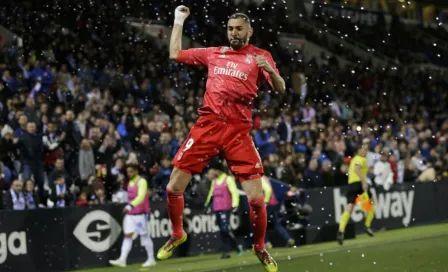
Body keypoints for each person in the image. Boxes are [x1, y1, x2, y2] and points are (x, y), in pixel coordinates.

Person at [157, 6, 285, 272]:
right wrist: (178, 20)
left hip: (238, 132)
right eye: (230, 29)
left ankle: (260, 247)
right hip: (208, 126)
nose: (234, 33)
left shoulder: (261, 56)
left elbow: (281, 88)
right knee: (173, 187)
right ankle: (178, 233)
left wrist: (270, 71)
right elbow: (174, 53)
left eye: (239, 28)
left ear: (250, 31)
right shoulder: (214, 53)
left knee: (256, 199)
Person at [109, 164, 156, 268]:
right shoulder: (130, 182)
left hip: (140, 214)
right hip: (131, 215)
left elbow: (141, 196)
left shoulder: (142, 181)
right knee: (127, 235)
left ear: (136, 171)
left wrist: (130, 206)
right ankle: (122, 259)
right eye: (128, 172)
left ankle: (151, 258)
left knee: (144, 236)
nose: (129, 174)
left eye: (131, 171)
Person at [204, 160, 243, 259]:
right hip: (217, 208)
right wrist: (207, 204)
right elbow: (211, 194)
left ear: (219, 170)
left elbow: (234, 192)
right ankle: (229, 250)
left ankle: (232, 247)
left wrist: (235, 205)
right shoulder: (214, 181)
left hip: (226, 208)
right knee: (222, 230)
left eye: (215, 170)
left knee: (225, 229)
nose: (213, 172)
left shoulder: (228, 179)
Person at [337, 145, 376, 245]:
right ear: (359, 150)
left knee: (349, 208)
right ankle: (367, 226)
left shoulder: (354, 159)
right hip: (359, 184)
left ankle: (341, 230)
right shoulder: (361, 159)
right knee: (371, 203)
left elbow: (354, 170)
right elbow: (357, 169)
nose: (365, 151)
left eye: (366, 149)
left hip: (351, 185)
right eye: (363, 149)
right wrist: (364, 182)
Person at [261, 175, 295, 248]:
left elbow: (268, 190)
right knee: (276, 224)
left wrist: (265, 202)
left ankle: (267, 243)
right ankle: (289, 239)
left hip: (267, 204)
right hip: (274, 203)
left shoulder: (258, 179)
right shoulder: (265, 178)